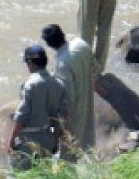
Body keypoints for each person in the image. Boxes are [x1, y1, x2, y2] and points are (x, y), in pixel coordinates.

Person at [41, 24, 99, 161]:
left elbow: (66, 99)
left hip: (74, 113)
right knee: (87, 143)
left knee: (68, 154)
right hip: (87, 99)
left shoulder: (62, 64)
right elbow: (96, 68)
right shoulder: (81, 44)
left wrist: (60, 127)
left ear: (49, 44)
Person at [8, 45, 69, 170]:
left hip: (28, 141)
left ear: (30, 62)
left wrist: (12, 139)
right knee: (43, 176)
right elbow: (61, 117)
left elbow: (22, 116)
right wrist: (56, 140)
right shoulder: (59, 84)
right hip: (47, 139)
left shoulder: (30, 85)